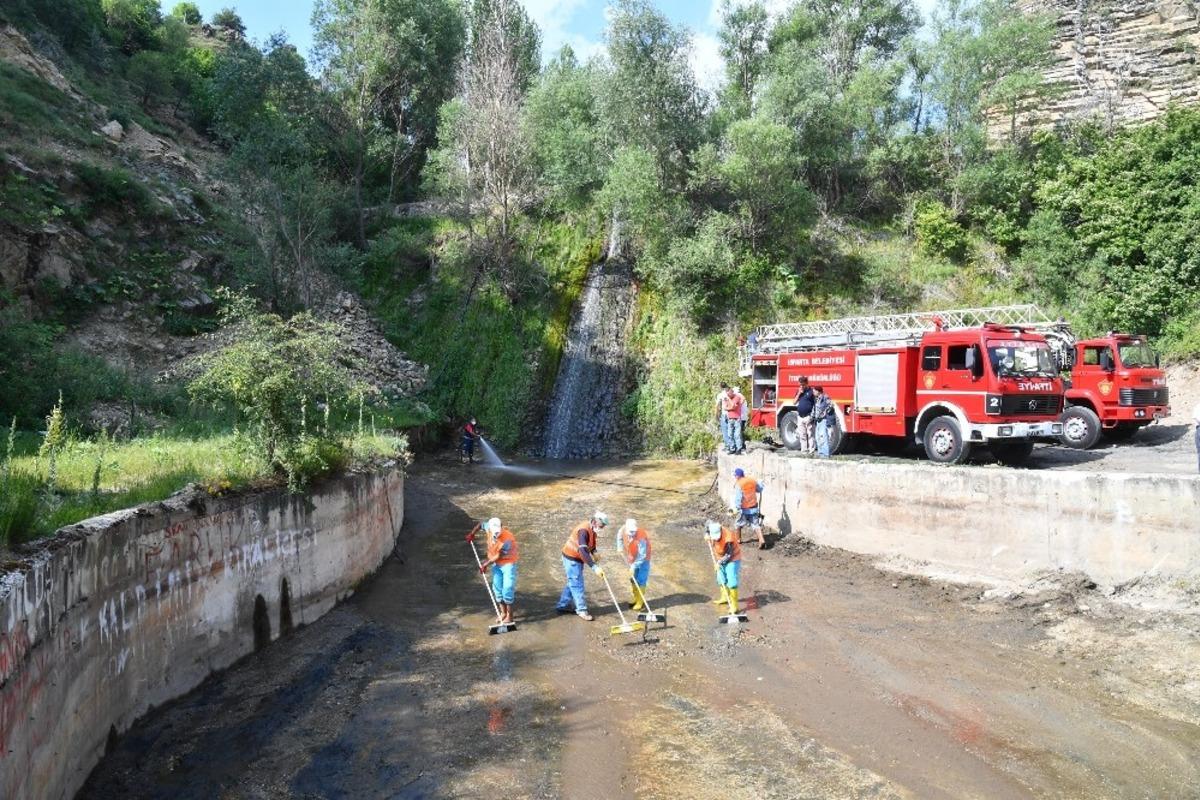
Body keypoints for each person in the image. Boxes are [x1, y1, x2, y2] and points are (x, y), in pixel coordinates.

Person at [556, 511, 609, 621]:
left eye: (603, 526)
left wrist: (594, 552)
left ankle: (563, 605)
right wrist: (594, 567)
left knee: (573, 581)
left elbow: (591, 543)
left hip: (577, 558)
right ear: (595, 521)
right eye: (601, 526)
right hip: (571, 558)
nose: (602, 528)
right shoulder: (583, 530)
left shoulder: (593, 529)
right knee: (577, 584)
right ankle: (581, 610)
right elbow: (583, 551)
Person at [471, 517, 518, 624]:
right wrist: (472, 534)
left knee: (507, 589)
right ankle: (503, 613)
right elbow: (480, 524)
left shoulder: (507, 539)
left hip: (508, 564)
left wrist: (485, 564)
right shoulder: (488, 527)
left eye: (498, 532)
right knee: (497, 589)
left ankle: (510, 617)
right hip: (497, 564)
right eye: (494, 532)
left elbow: (498, 555)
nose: (496, 535)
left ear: (501, 527)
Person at [616, 518, 652, 611]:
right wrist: (619, 547)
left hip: (644, 559)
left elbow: (642, 555)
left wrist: (633, 566)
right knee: (633, 579)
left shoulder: (641, 536)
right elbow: (619, 537)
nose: (632, 533)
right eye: (630, 531)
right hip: (632, 557)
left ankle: (640, 601)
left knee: (641, 579)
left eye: (633, 531)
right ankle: (635, 598)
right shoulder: (623, 529)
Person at [706, 520, 742, 612]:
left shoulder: (728, 536)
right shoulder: (711, 528)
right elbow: (706, 526)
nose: (716, 539)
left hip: (732, 559)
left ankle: (734, 606)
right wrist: (706, 534)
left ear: (721, 531)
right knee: (720, 578)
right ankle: (725, 598)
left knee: (732, 581)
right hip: (720, 557)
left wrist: (719, 563)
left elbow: (729, 555)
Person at [731, 467, 766, 549]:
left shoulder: (739, 484)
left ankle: (738, 540)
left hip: (744, 509)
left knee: (738, 524)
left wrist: (737, 508)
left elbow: (738, 498)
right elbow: (759, 489)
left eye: (735, 476)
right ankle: (761, 539)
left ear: (737, 476)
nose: (735, 477)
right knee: (755, 525)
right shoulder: (752, 480)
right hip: (754, 507)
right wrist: (761, 483)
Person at [812, 385, 835, 458]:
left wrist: (824, 412)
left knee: (823, 437)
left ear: (818, 391)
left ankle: (825, 454)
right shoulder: (817, 398)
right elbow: (815, 408)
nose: (813, 392)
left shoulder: (825, 397)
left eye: (814, 391)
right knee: (818, 437)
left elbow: (831, 405)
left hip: (824, 420)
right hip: (818, 420)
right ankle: (820, 453)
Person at [793, 377, 815, 454]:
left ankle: (811, 450)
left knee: (810, 434)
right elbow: (794, 402)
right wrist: (799, 393)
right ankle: (804, 450)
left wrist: (812, 415)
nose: (801, 386)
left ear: (806, 383)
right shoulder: (799, 391)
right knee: (802, 435)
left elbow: (815, 404)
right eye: (800, 385)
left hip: (808, 416)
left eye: (803, 385)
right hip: (800, 416)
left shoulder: (811, 392)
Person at [721, 385, 746, 454]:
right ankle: (732, 448)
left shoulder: (737, 397)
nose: (728, 395)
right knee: (730, 434)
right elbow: (724, 407)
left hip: (737, 418)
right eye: (727, 394)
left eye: (729, 394)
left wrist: (729, 402)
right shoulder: (727, 398)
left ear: (732, 392)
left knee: (737, 435)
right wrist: (729, 407)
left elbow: (732, 406)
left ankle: (739, 449)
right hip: (730, 418)